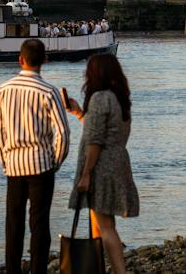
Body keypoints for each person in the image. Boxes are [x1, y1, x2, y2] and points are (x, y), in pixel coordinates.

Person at [0, 38, 70, 274]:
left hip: (14, 165)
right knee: (39, 224)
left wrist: (5, 161)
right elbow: (63, 133)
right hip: (41, 164)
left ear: (20, 59)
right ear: (44, 60)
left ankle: (12, 270)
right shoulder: (49, 92)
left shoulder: (4, 90)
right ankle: (38, 270)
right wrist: (55, 161)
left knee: (13, 224)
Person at [64, 53, 139, 274]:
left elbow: (95, 141)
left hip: (101, 168)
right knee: (100, 224)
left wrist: (86, 173)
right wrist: (78, 112)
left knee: (106, 227)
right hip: (117, 164)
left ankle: (119, 271)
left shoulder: (98, 98)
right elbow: (104, 132)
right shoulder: (119, 99)